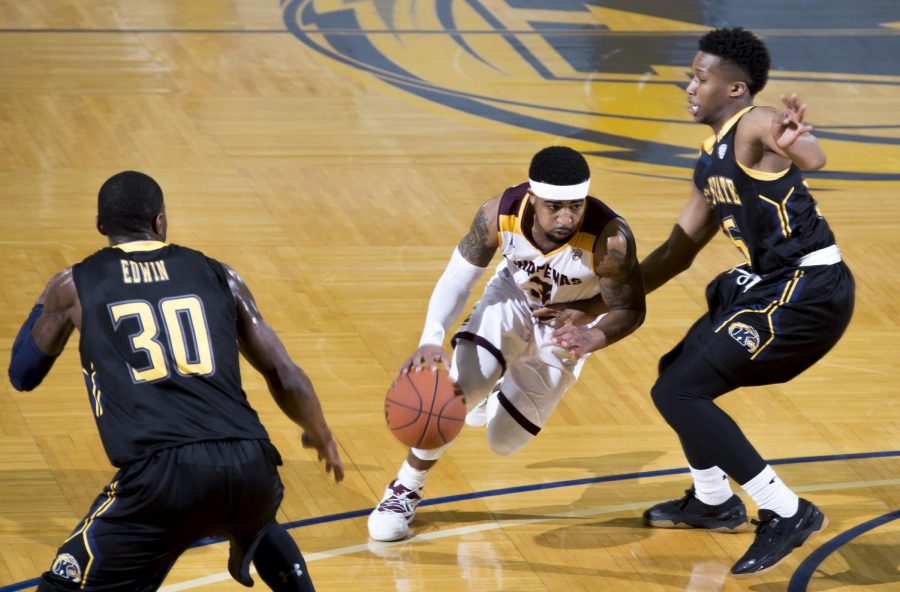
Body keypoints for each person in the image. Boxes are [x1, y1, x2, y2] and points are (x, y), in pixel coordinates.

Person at [552, 28, 854, 577]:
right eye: (691, 75)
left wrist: (799, 141)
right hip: (769, 285)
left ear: (736, 89)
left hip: (809, 290)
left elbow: (815, 158)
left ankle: (787, 510)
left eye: (700, 77)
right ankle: (713, 500)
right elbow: (676, 253)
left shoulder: (755, 125)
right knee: (675, 374)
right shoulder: (709, 160)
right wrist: (598, 306)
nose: (688, 86)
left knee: (679, 391)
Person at [8, 171, 345, 591]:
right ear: (160, 222)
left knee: (62, 585)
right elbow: (285, 374)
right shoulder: (221, 274)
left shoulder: (73, 284)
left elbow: (22, 373)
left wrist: (45, 303)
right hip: (252, 464)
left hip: (162, 479)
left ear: (100, 227)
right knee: (245, 512)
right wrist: (322, 434)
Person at [367, 146, 646, 541]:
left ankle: (498, 380)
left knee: (502, 441)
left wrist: (592, 331)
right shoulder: (499, 212)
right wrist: (431, 339)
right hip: (513, 298)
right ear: (532, 197)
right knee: (453, 398)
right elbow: (458, 278)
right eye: (554, 207)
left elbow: (631, 309)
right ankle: (404, 489)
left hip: (567, 323)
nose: (566, 218)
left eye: (575, 206)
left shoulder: (611, 239)